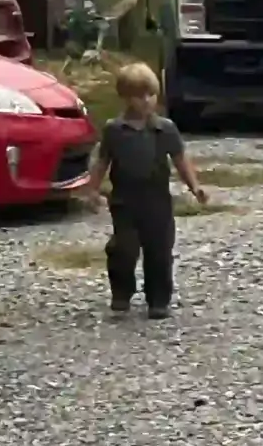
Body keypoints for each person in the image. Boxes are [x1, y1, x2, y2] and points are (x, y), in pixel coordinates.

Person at [86, 63, 207, 317]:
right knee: (124, 249)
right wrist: (93, 189)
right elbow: (101, 161)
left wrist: (195, 186)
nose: (147, 101)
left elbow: (180, 159)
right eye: (139, 96)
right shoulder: (114, 130)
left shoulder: (165, 128)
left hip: (157, 200)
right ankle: (121, 293)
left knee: (160, 251)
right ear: (125, 97)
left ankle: (158, 300)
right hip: (124, 201)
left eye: (151, 94)